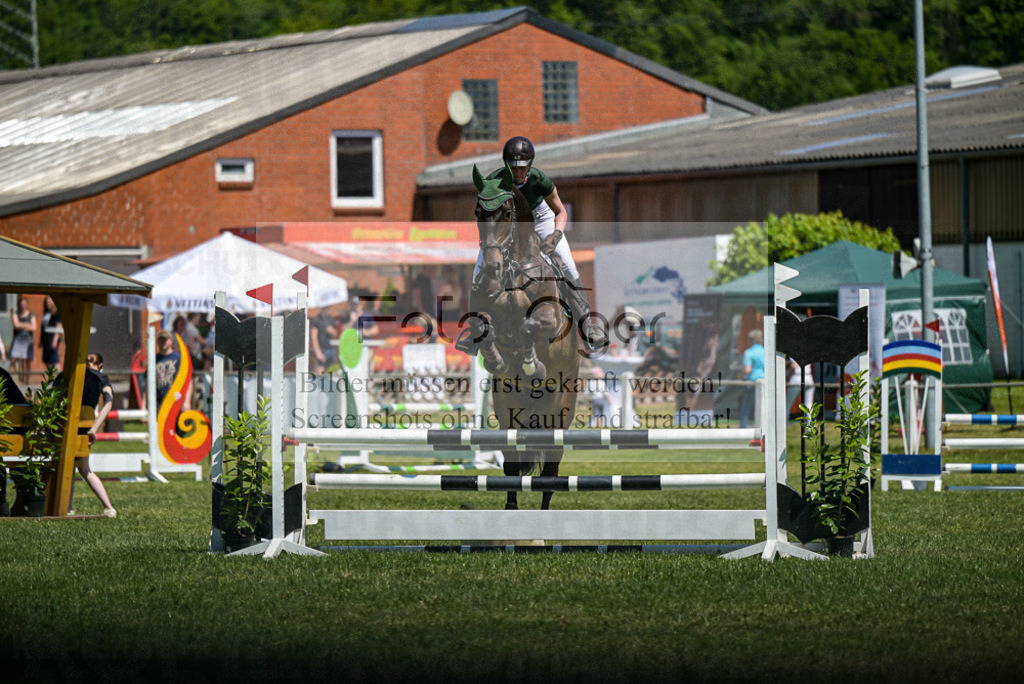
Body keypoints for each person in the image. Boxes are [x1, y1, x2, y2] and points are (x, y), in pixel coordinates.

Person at [456, 136, 607, 355]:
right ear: (505, 164)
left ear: (530, 164)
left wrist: (556, 234)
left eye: (522, 167)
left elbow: (560, 211)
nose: (518, 173)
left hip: (540, 218)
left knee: (567, 264)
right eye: (513, 167)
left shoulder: (539, 180)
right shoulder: (494, 181)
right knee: (478, 271)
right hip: (507, 222)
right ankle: (475, 334)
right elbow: (486, 213)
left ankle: (587, 326)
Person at [70, 353, 117, 517]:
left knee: (70, 467)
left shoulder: (72, 374)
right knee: (83, 468)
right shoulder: (101, 378)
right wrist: (94, 428)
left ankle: (66, 507)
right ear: (100, 365)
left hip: (68, 423)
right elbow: (109, 402)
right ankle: (108, 507)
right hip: (85, 425)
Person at [154, 330, 191, 412]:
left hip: (176, 402)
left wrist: (187, 402)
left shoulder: (179, 359)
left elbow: (188, 381)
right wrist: (144, 404)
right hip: (158, 404)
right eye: (161, 340)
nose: (162, 342)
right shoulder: (153, 359)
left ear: (171, 341)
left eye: (165, 340)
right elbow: (148, 383)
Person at [739, 329, 765, 429]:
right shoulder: (765, 351)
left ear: (749, 340)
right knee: (763, 405)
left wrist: (740, 375)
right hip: (765, 382)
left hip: (753, 382)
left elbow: (747, 370)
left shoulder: (749, 352)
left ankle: (743, 427)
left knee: (746, 405)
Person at [10, 296, 37, 384]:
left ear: (27, 305)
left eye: (24, 304)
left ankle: (26, 382)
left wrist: (22, 325)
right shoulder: (16, 314)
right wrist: (27, 325)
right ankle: (11, 380)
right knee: (13, 360)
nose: (23, 306)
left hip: (28, 341)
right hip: (18, 340)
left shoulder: (31, 315)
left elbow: (34, 327)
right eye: (21, 304)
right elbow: (16, 325)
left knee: (27, 361)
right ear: (18, 305)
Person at [309, 307, 339, 374]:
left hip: (331, 349)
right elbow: (314, 337)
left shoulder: (331, 319)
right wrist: (318, 352)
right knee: (320, 374)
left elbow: (335, 334)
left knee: (332, 373)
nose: (327, 309)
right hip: (321, 349)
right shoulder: (316, 319)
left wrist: (332, 331)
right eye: (326, 308)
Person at [40, 296, 63, 372]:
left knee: (54, 359)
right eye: (46, 302)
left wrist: (55, 340)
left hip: (52, 340)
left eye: (49, 301)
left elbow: (59, 326)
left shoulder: (56, 313)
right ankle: (51, 378)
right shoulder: (46, 313)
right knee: (47, 360)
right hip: (46, 340)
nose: (48, 303)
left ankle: (57, 377)